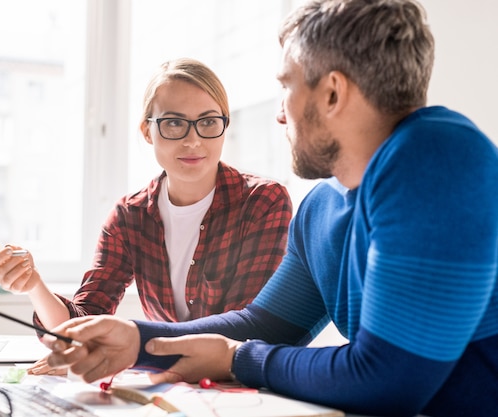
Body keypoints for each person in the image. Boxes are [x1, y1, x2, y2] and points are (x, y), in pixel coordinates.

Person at [38, 1, 498, 416]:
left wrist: (238, 358)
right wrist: (136, 340)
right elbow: (267, 324)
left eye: (286, 87)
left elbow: (388, 380)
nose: (281, 113)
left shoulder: (440, 156)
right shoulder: (321, 206)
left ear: (332, 94)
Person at [0, 58, 292, 370]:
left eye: (209, 121)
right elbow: (83, 325)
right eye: (174, 123)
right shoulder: (129, 217)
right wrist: (34, 286)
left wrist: (134, 344)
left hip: (236, 382)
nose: (193, 140)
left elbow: (245, 330)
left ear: (225, 126)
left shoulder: (263, 201)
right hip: (168, 386)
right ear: (147, 131)